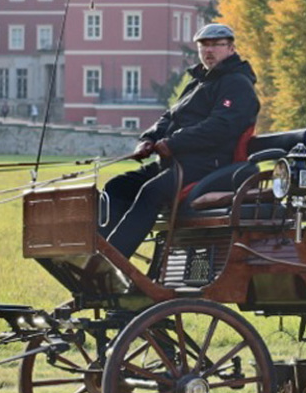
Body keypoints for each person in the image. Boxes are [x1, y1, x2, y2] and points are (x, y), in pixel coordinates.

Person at [98, 23, 260, 258]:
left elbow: (220, 127)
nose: (209, 51)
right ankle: (97, 251)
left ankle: (112, 260)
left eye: (216, 45)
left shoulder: (237, 84)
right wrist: (149, 139)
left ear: (231, 49)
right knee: (117, 186)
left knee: (151, 192)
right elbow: (170, 117)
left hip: (211, 164)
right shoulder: (199, 82)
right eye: (204, 45)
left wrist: (174, 143)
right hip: (180, 161)